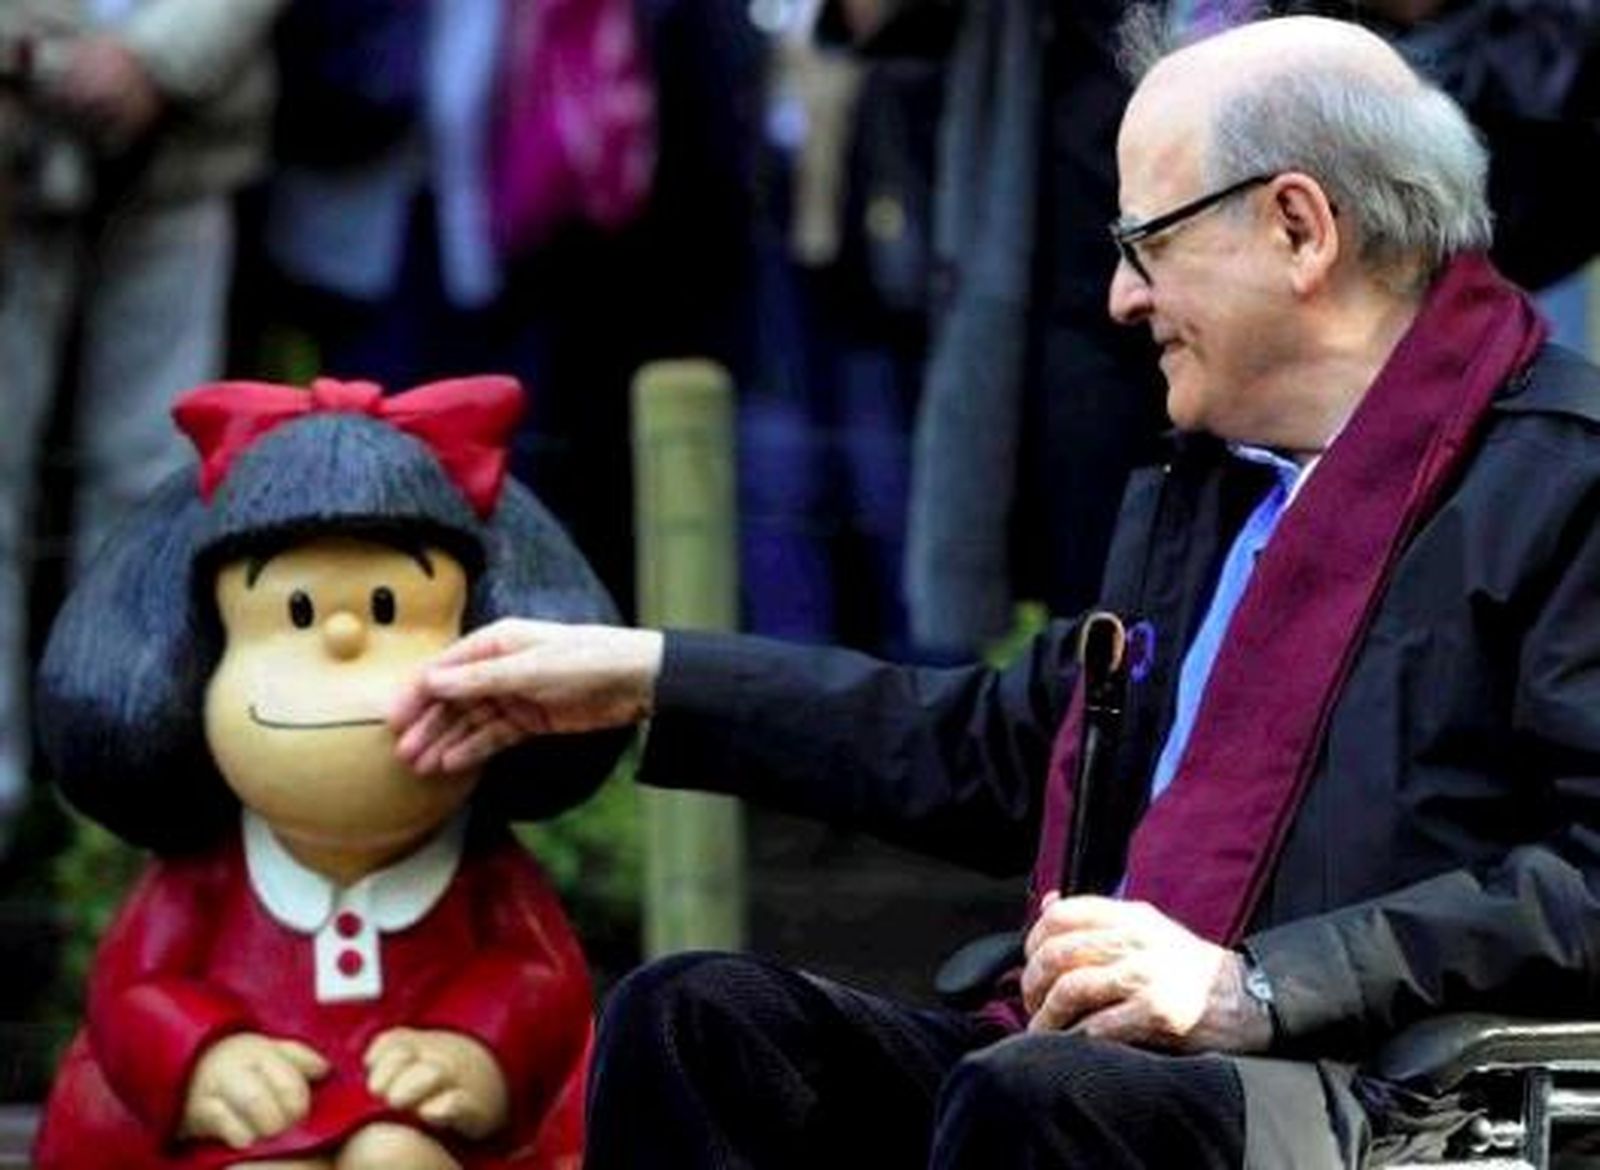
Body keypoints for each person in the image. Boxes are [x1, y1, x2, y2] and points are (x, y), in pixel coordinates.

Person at [389, 14, 1600, 1167]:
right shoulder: (1215, 489)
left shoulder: (1563, 481)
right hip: (1102, 1073)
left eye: (1145, 241)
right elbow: (997, 745)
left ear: (1298, 228)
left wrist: (1260, 984)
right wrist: (651, 676)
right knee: (698, 1025)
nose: (1121, 297)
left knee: (1043, 1096)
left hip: (1377, 1100)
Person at [31, 377, 625, 1167]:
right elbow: (132, 989)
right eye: (298, 614)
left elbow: (538, 978)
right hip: (250, 1134)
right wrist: (201, 1054)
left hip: (431, 1130)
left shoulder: (481, 871)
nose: (343, 642)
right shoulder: (207, 876)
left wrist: (475, 1046)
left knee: (396, 1158)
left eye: (388, 609)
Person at [0, 0, 284, 853]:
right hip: (14, 139)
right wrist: (33, 56)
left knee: (155, 481)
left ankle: (130, 795)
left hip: (184, 148)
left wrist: (161, 61)